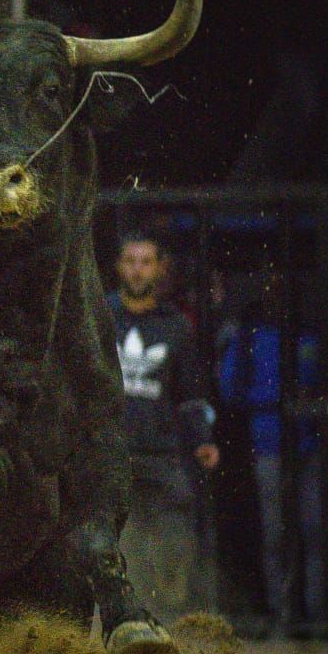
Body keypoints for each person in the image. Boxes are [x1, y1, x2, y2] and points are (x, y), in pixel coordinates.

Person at [108, 235, 219, 624]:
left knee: (174, 544)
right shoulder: (100, 317)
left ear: (160, 269)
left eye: (146, 261)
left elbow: (190, 392)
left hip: (162, 452)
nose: (137, 268)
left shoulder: (175, 326)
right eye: (130, 260)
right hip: (111, 454)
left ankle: (168, 615)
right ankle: (127, 622)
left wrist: (203, 439)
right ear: (118, 266)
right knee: (118, 543)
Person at [218, 273, 327, 635]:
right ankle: (282, 612)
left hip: (308, 445)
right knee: (275, 533)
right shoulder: (251, 337)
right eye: (272, 289)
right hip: (268, 444)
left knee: (314, 530)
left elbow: (327, 386)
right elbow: (229, 388)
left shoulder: (312, 336)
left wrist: (309, 406)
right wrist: (274, 403)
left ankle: (318, 612)